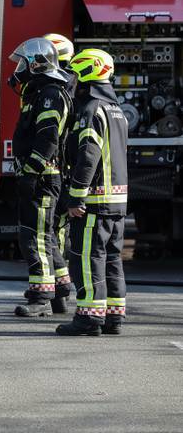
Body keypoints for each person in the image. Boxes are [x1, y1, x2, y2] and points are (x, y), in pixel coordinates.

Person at [56, 49, 128, 336]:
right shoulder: (117, 110)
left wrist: (76, 197)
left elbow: (88, 157)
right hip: (117, 203)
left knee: (86, 258)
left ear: (87, 75)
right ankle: (113, 316)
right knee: (112, 259)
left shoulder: (91, 110)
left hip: (93, 203)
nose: (72, 82)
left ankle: (88, 317)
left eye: (75, 75)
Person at [8, 38, 72, 317]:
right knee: (45, 236)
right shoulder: (40, 92)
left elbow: (48, 139)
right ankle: (59, 291)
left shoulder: (50, 94)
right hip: (41, 176)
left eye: (24, 63)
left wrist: (31, 172)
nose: (19, 68)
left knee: (35, 238)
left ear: (36, 64)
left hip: (43, 178)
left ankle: (41, 296)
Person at [43, 33, 76, 312]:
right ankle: (59, 297)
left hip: (58, 171)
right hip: (65, 170)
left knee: (52, 232)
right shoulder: (72, 84)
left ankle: (60, 293)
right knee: (57, 233)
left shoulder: (56, 88)